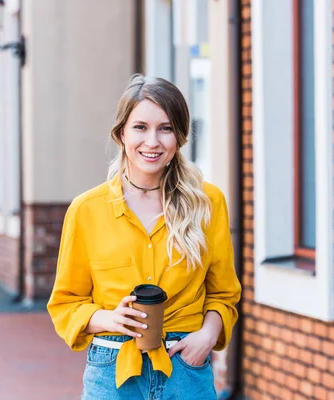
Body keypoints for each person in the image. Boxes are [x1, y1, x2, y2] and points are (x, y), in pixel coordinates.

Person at [47, 74, 241, 399]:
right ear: (121, 132)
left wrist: (207, 336)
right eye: (140, 127)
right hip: (113, 373)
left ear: (179, 136)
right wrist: (109, 317)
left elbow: (223, 294)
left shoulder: (208, 203)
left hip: (185, 368)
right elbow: (66, 303)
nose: (152, 141)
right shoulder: (87, 210)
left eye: (165, 128)